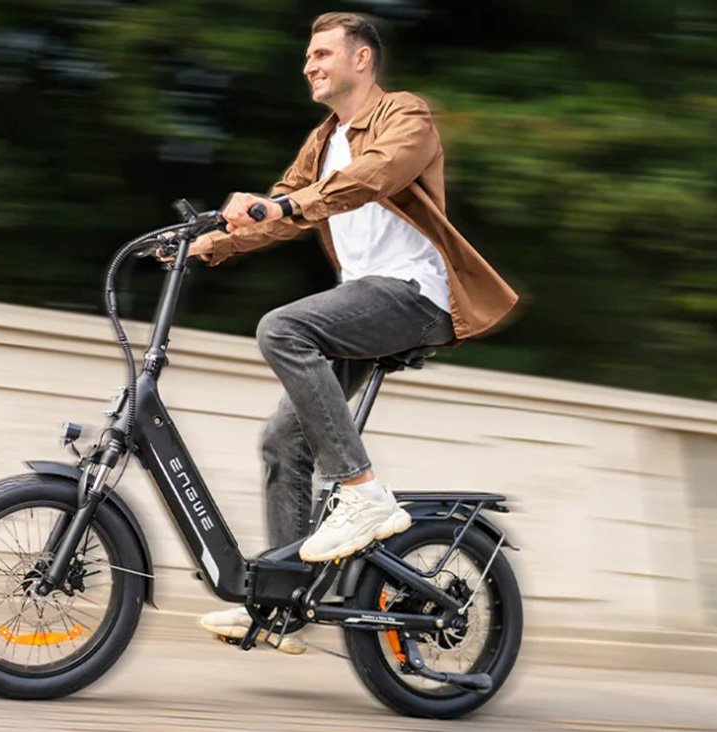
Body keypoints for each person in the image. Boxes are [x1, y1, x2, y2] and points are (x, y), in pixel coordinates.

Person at [192, 12, 519, 652]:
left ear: (361, 59)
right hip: (362, 301)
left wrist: (284, 204)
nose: (309, 65)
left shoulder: (406, 117)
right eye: (307, 57)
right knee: (283, 441)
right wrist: (211, 244)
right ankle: (283, 605)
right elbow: (283, 205)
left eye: (321, 54)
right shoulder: (324, 139)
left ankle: (363, 493)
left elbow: (371, 178)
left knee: (282, 328)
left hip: (414, 296)